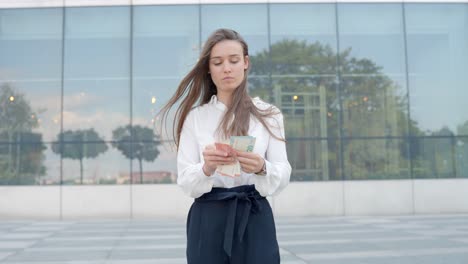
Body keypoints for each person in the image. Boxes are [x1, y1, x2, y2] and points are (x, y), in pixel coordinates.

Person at [159, 28, 291, 264]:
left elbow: (283, 174)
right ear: (209, 69)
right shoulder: (196, 117)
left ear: (246, 63)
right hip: (208, 219)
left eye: (234, 60)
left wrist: (262, 167)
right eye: (218, 62)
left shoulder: (269, 115)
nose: (227, 68)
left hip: (254, 215)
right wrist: (207, 167)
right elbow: (186, 182)